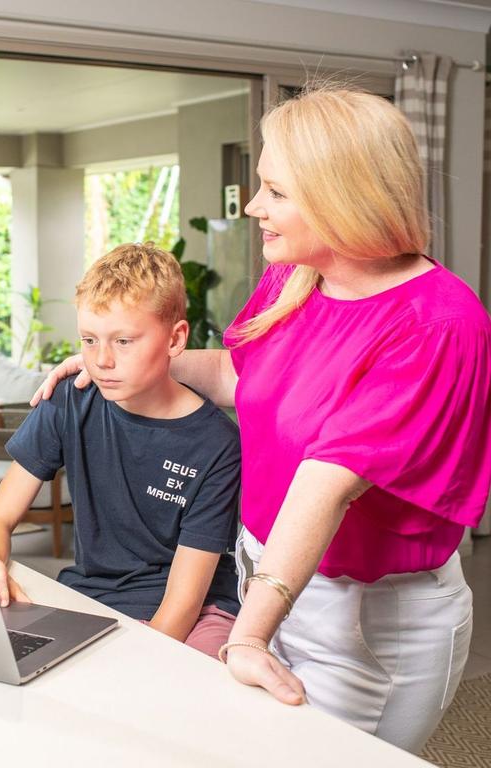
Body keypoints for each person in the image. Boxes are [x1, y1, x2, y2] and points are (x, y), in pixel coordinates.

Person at [34, 87, 491, 752]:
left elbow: (328, 482)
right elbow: (245, 378)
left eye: (274, 192)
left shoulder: (437, 324)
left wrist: (248, 632)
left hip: (365, 623)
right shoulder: (297, 279)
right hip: (270, 584)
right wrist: (131, 365)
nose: (253, 208)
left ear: (341, 196)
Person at [0, 243, 241, 658]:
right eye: (88, 339)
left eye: (123, 341)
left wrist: (132, 664)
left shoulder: (218, 443)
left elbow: (181, 606)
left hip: (196, 611)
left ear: (176, 340)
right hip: (92, 594)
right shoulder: (69, 400)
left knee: (189, 680)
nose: (101, 360)